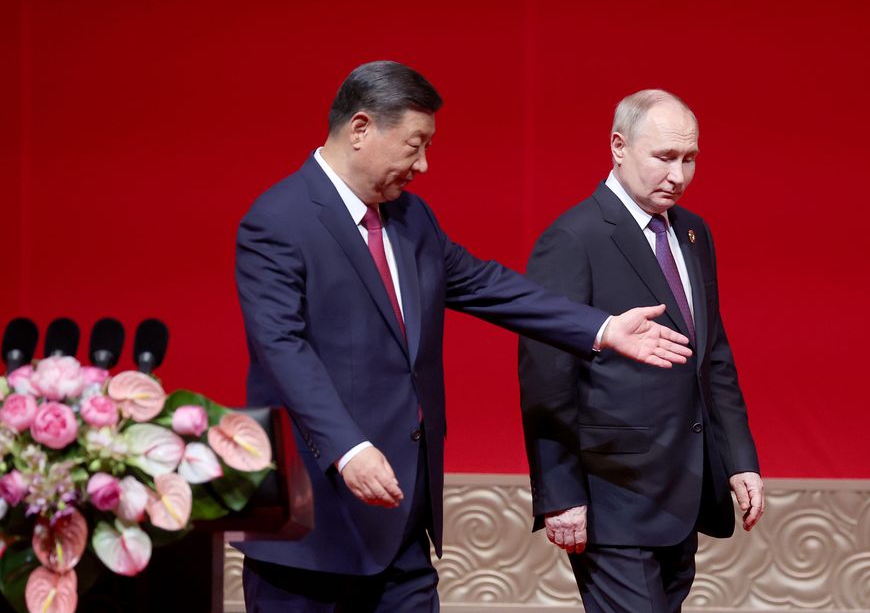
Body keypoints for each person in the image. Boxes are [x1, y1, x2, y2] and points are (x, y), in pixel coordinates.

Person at [233, 62, 692, 612]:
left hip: (401, 510)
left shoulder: (410, 219)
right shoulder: (277, 219)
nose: (423, 164)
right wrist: (347, 447)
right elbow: (282, 348)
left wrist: (601, 327)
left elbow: (486, 284)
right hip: (308, 516)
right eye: (414, 145)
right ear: (361, 130)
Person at [517, 89, 764, 613]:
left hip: (686, 487)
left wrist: (739, 458)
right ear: (618, 147)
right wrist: (560, 495)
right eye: (664, 157)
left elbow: (712, 357)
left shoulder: (695, 233)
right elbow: (546, 375)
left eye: (689, 158)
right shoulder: (573, 237)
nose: (678, 175)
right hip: (613, 492)